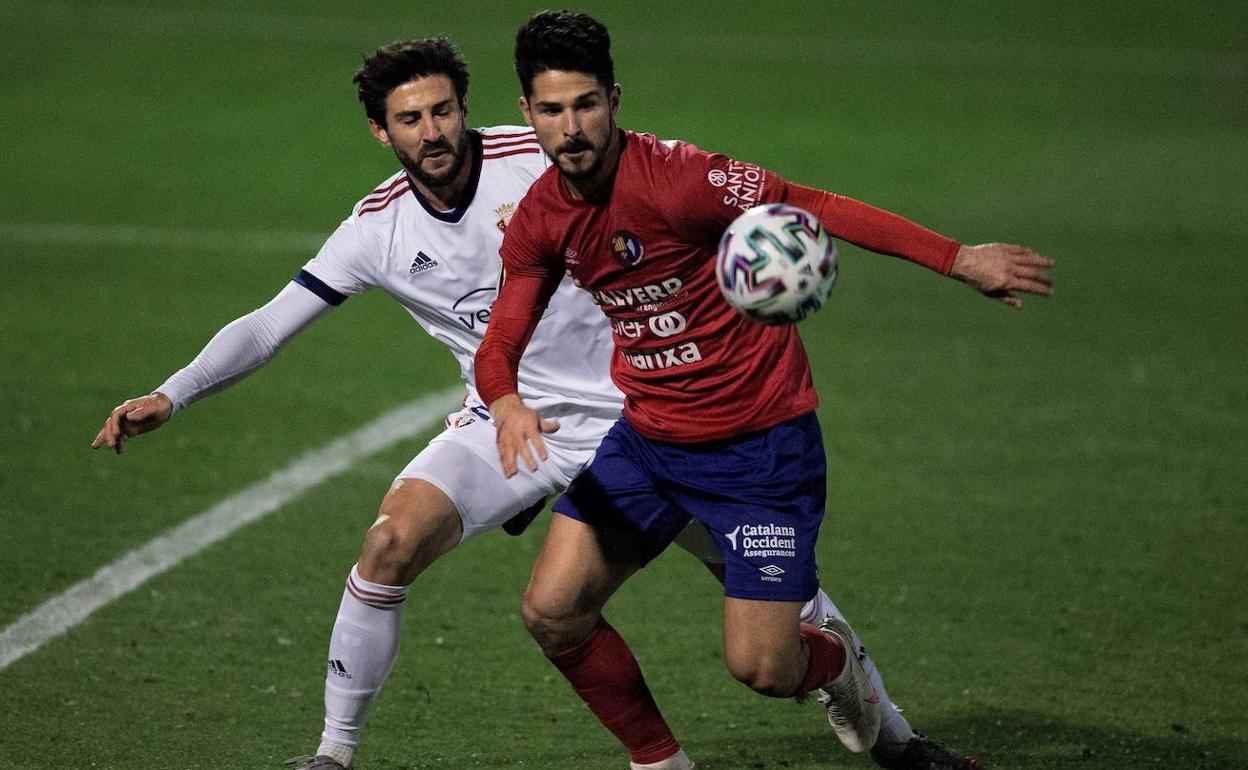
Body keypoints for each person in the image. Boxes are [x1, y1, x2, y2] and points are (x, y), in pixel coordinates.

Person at [88, 37, 904, 770]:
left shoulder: (546, 163)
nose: (431, 131)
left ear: (467, 110)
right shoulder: (376, 229)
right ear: (382, 132)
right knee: (386, 547)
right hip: (511, 421)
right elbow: (269, 325)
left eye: (443, 110)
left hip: (641, 421)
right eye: (410, 119)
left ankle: (893, 732)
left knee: (778, 601)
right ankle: (333, 755)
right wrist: (173, 393)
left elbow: (664, 195)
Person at [476, 11, 1054, 770]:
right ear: (527, 114)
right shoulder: (542, 219)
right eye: (552, 110)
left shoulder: (682, 181)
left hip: (760, 453)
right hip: (648, 447)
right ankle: (659, 760)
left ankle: (839, 667)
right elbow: (503, 338)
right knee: (553, 614)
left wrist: (959, 260)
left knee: (765, 670)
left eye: (586, 104)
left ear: (615, 99)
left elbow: (817, 204)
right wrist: (506, 400)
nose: (571, 127)